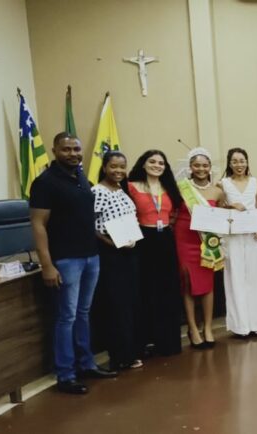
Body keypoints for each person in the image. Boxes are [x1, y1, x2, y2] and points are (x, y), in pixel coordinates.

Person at [30, 133, 116, 394]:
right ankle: (66, 374)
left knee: (83, 313)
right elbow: (38, 225)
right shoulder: (45, 182)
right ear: (55, 151)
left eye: (76, 149)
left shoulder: (81, 177)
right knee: (66, 317)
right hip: (66, 259)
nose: (73, 154)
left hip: (90, 256)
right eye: (66, 149)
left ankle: (86, 364)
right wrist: (47, 265)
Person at [127, 150, 183, 357]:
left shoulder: (170, 187)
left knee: (167, 290)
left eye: (161, 163)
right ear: (143, 164)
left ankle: (167, 341)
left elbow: (175, 213)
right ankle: (145, 342)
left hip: (166, 241)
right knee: (145, 290)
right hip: (143, 241)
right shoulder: (131, 186)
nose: (157, 165)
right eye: (152, 161)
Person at [91, 151, 143, 370]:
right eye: (113, 166)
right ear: (104, 167)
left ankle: (130, 351)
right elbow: (90, 226)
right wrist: (111, 244)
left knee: (129, 303)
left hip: (128, 253)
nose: (118, 171)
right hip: (111, 254)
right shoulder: (98, 191)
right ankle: (120, 355)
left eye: (122, 167)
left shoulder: (122, 189)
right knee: (116, 305)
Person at [174, 148, 223, 349]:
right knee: (187, 282)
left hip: (206, 241)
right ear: (190, 167)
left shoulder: (218, 191)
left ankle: (208, 327)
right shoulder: (181, 188)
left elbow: (222, 214)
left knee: (207, 283)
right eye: (197, 165)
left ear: (210, 167)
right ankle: (193, 328)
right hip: (185, 238)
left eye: (205, 165)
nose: (201, 169)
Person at [220, 147, 257, 337]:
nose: (239, 165)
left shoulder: (256, 182)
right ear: (229, 163)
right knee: (235, 278)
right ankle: (240, 326)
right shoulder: (223, 184)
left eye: (242, 161)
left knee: (254, 278)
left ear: (247, 162)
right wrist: (231, 206)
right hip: (232, 236)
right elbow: (219, 208)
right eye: (235, 161)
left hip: (252, 235)